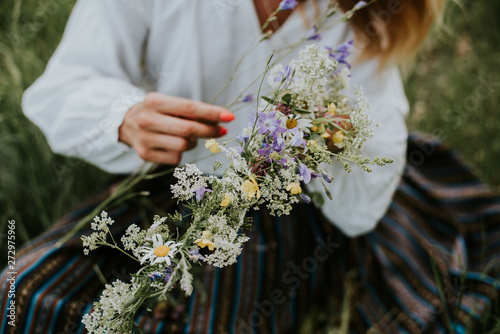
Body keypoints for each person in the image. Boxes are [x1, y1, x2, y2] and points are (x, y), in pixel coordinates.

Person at [2, 0, 500, 333]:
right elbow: (62, 88)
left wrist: (328, 134)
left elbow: (362, 197)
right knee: (20, 294)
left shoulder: (362, 17)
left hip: (295, 209)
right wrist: (123, 116)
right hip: (176, 187)